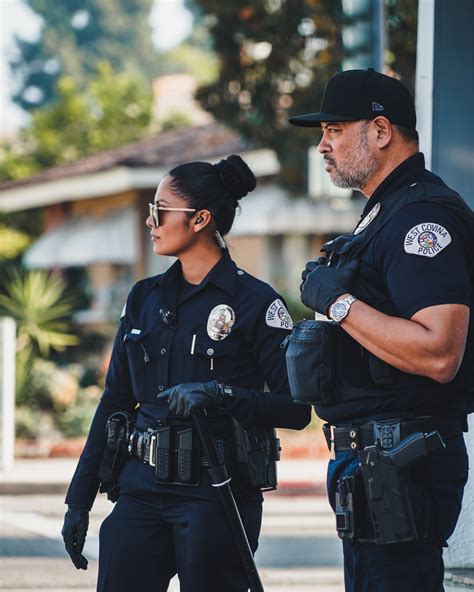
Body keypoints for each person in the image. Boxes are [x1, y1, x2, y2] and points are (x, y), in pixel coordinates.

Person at [61, 154, 310, 592]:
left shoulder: (256, 304)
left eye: (159, 211)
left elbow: (296, 409)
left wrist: (219, 394)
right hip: (141, 491)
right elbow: (116, 400)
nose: (150, 221)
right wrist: (78, 500)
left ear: (200, 219)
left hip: (216, 492)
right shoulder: (143, 299)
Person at [289, 68, 474, 591]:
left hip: (402, 460)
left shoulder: (421, 219)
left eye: (334, 130)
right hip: (373, 459)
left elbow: (439, 353)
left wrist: (337, 300)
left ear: (380, 130)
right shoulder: (383, 213)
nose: (323, 146)